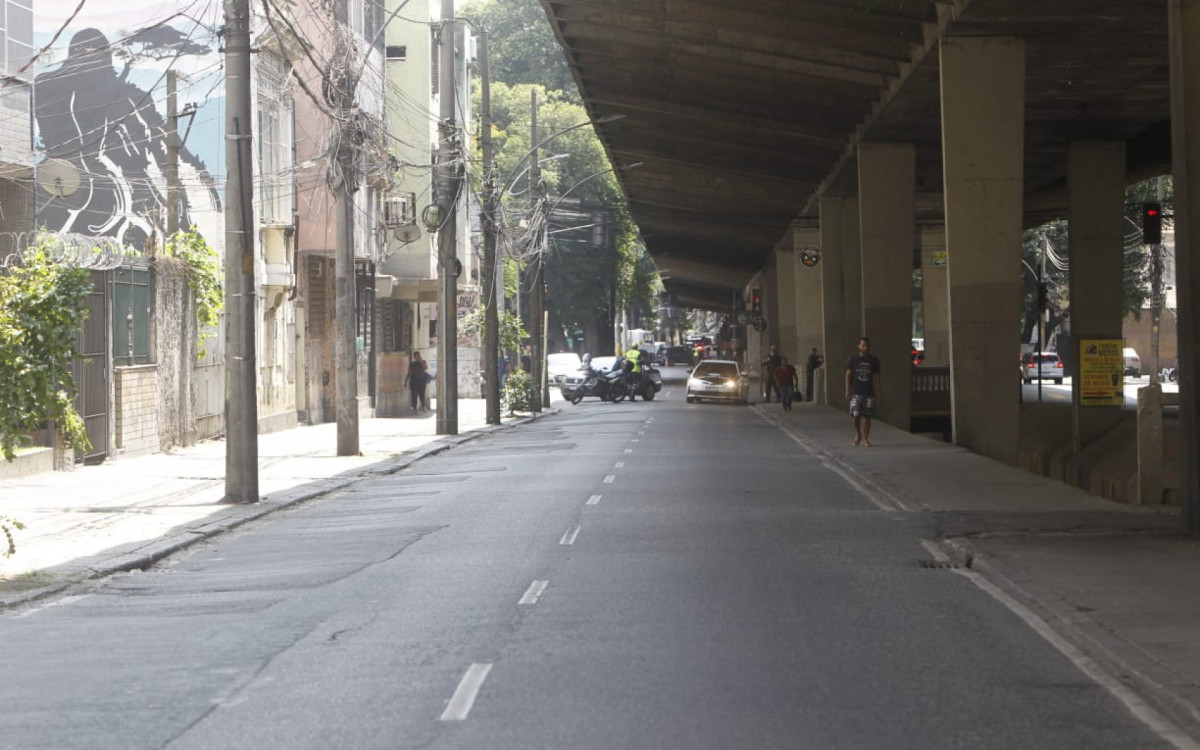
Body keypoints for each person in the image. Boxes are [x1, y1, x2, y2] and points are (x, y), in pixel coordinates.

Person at [844, 337, 882, 446]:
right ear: (859, 346)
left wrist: (878, 393)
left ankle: (865, 438)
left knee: (867, 416)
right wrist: (847, 390)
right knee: (855, 415)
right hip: (856, 392)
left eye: (867, 345)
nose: (865, 347)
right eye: (863, 345)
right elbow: (848, 375)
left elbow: (877, 378)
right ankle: (858, 434)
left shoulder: (873, 360)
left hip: (869, 392)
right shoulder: (853, 359)